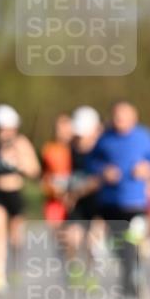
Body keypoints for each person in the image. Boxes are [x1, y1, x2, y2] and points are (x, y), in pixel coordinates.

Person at [88, 101, 150, 299]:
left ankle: (123, 298)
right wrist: (103, 171)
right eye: (116, 116)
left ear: (134, 117)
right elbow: (91, 163)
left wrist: (148, 170)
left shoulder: (144, 136)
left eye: (123, 116)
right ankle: (136, 274)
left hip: (136, 203)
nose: (119, 120)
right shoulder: (105, 138)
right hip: (111, 202)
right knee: (120, 251)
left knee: (130, 246)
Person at [0, 104, 40, 295]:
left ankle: (15, 265)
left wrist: (19, 163)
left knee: (16, 237)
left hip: (15, 193)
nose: (3, 133)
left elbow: (35, 170)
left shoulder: (20, 143)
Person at [63, 106, 104, 289]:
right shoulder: (69, 149)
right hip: (77, 202)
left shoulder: (102, 148)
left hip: (98, 200)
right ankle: (74, 268)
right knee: (72, 238)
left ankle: (93, 276)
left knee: (92, 241)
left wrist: (79, 190)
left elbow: (101, 179)